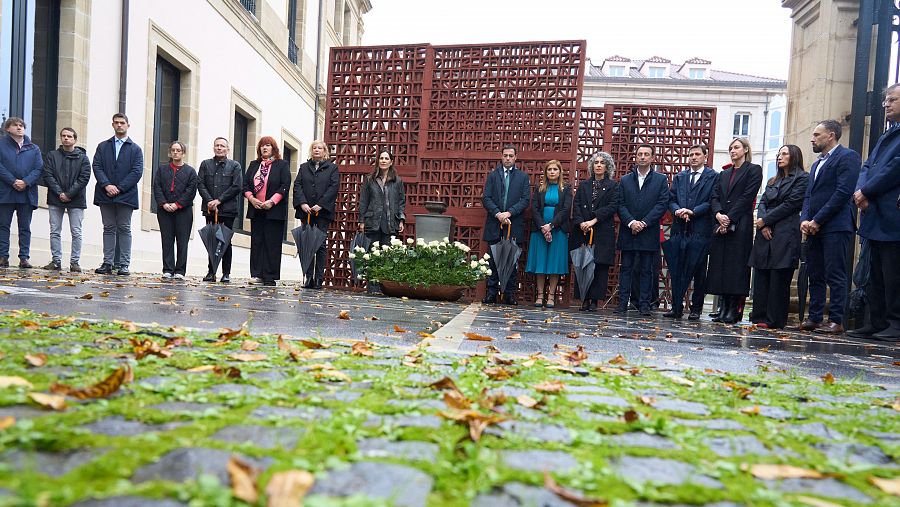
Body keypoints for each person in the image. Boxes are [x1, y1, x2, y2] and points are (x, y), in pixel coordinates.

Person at [799, 120, 861, 335]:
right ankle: (815, 318)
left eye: (817, 135)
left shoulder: (848, 157)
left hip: (836, 225)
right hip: (813, 227)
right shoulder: (816, 164)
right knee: (815, 273)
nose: (812, 139)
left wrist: (818, 220)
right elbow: (809, 196)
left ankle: (836, 320)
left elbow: (843, 193)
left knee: (835, 274)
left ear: (831, 135)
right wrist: (805, 220)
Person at [850, 84, 900, 341]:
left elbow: (895, 168)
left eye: (892, 100)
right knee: (875, 272)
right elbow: (868, 165)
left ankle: (896, 323)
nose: (886, 104)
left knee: (894, 273)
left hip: (892, 213)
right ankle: (876, 320)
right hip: (874, 212)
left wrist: (867, 191)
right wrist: (860, 191)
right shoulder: (886, 134)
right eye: (885, 100)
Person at [748, 145, 809, 329]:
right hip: (766, 231)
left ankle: (774, 319)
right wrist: (763, 223)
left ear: (794, 156)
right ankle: (759, 315)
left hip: (785, 231)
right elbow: (763, 202)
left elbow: (791, 204)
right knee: (762, 272)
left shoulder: (802, 178)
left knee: (779, 275)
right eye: (778, 154)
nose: (779, 157)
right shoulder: (773, 180)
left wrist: (766, 220)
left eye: (784, 154)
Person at [707, 138, 763, 324]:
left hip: (740, 223)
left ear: (745, 149)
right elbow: (714, 196)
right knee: (721, 265)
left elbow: (747, 197)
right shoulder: (724, 173)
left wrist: (729, 218)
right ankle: (723, 308)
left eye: (736, 147)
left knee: (736, 266)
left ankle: (733, 309)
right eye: (730, 148)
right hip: (721, 223)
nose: (732, 150)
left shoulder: (753, 170)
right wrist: (718, 215)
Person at [615, 144, 670, 316]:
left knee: (647, 269)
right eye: (640, 154)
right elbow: (620, 204)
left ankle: (645, 305)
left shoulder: (660, 179)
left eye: (646, 154)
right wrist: (631, 222)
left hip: (648, 230)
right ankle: (622, 304)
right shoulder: (625, 180)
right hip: (628, 230)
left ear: (652, 158)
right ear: (636, 157)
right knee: (626, 268)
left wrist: (644, 223)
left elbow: (662, 204)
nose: (643, 157)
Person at [664, 144, 717, 320]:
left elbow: (712, 201)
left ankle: (696, 308)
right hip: (680, 228)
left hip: (701, 229)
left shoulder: (713, 176)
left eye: (697, 154)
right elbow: (671, 199)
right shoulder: (680, 176)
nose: (693, 157)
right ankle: (676, 307)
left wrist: (693, 212)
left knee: (699, 270)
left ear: (705, 156)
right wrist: (677, 210)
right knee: (677, 268)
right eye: (691, 154)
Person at [92, 113, 143, 276]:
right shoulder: (103, 146)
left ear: (128, 125)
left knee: (124, 228)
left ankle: (124, 264)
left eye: (122, 122)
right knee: (108, 227)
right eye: (116, 123)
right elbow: (97, 166)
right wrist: (107, 185)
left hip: (126, 195)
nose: (119, 125)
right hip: (105, 193)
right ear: (112, 125)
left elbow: (137, 172)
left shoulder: (135, 149)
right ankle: (107, 263)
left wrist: (119, 188)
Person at [481, 143, 531, 305]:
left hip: (513, 223)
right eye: (505, 155)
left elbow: (525, 200)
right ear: (501, 157)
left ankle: (510, 294)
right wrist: (498, 214)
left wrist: (509, 213)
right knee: (493, 261)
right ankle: (491, 293)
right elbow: (486, 198)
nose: (508, 158)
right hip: (495, 223)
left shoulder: (523, 177)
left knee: (512, 260)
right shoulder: (493, 176)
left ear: (516, 157)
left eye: (511, 156)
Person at [572, 151, 618, 311]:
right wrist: (581, 222)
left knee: (599, 265)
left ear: (607, 167)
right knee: (583, 263)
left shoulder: (613, 186)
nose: (598, 165)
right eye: (596, 163)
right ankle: (584, 298)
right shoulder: (584, 185)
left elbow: (612, 206)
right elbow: (576, 204)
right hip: (583, 230)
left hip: (602, 229)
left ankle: (594, 301)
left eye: (602, 163)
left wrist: (593, 220)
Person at [41, 127, 91, 273]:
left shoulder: (83, 158)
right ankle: (56, 261)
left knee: (76, 231)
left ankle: (74, 262)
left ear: (75, 139)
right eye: (63, 136)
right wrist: (59, 193)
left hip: (76, 199)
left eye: (69, 136)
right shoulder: (52, 155)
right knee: (55, 231)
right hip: (55, 198)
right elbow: (47, 175)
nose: (66, 138)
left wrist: (69, 194)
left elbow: (84, 178)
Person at [243, 136, 290, 287]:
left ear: (273, 148)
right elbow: (245, 185)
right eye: (262, 145)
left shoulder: (282, 165)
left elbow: (285, 185)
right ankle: (257, 274)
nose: (264, 148)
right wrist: (251, 199)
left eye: (268, 145)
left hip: (274, 210)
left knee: (272, 243)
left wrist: (272, 201)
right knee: (257, 242)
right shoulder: (254, 165)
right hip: (256, 209)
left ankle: (270, 276)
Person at [525, 159, 572, 308]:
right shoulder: (539, 188)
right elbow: (534, 209)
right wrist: (543, 227)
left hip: (558, 229)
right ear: (545, 172)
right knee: (540, 262)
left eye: (555, 169)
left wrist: (551, 226)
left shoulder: (566, 188)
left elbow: (566, 210)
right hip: (539, 230)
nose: (552, 172)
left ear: (560, 172)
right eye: (549, 169)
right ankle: (540, 295)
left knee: (554, 263)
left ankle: (551, 296)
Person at [294, 140, 340, 289]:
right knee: (307, 244)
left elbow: (334, 187)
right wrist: (302, 203)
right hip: (306, 211)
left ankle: (319, 278)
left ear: (325, 151)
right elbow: (297, 186)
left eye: (320, 148)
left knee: (320, 245)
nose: (317, 150)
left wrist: (320, 204)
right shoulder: (303, 167)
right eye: (314, 148)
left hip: (322, 212)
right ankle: (308, 278)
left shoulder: (332, 168)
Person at [358, 149, 405, 294]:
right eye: (381, 158)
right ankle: (372, 287)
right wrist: (362, 220)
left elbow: (401, 201)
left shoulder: (397, 181)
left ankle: (384, 288)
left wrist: (401, 219)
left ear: (391, 162)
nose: (383, 161)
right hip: (373, 221)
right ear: (378, 161)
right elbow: (363, 201)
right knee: (373, 254)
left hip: (390, 222)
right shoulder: (369, 179)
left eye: (386, 158)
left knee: (387, 255)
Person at [197, 137, 243, 283]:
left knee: (225, 241)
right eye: (217, 145)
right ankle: (211, 272)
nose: (219, 148)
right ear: (213, 148)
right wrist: (210, 201)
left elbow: (237, 186)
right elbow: (200, 184)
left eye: (222, 146)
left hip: (227, 210)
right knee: (211, 240)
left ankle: (226, 273)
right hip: (210, 210)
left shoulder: (235, 166)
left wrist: (219, 200)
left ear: (227, 149)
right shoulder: (205, 164)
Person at [152, 141, 198, 280]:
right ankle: (167, 269)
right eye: (173, 150)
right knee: (167, 240)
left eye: (178, 150)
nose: (175, 152)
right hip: (164, 210)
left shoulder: (190, 172)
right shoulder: (162, 169)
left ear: (183, 153)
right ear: (170, 152)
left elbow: (191, 191)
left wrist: (178, 204)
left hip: (183, 211)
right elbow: (157, 187)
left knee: (182, 242)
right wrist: (164, 203)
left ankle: (180, 271)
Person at [0, 117, 42, 268]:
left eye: (21, 125)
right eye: (15, 125)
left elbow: (38, 168)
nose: (19, 128)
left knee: (25, 227)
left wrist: (25, 182)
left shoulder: (34, 148)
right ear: (7, 129)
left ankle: (24, 258)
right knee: (3, 225)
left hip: (26, 193)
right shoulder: (1, 145)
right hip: (5, 192)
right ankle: (3, 256)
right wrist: (13, 181)